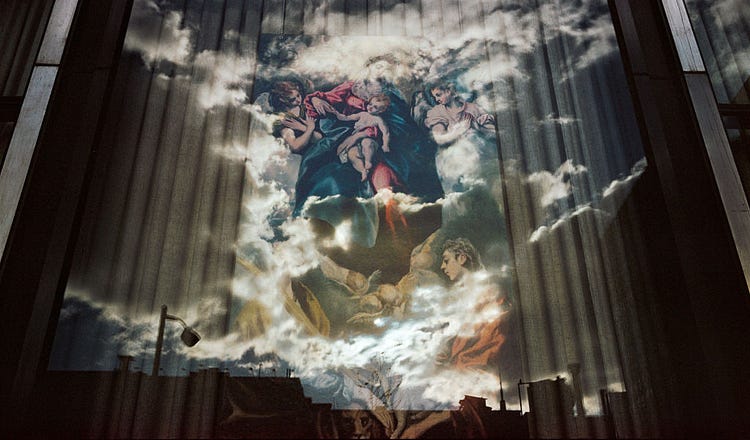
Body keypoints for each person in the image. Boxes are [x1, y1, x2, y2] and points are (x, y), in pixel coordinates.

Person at [438, 238, 508, 369]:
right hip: (458, 362)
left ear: (462, 259)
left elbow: (493, 337)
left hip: (478, 363)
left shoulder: (490, 291)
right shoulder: (457, 296)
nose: (442, 266)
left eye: (446, 260)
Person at [332, 94, 391, 181]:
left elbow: (386, 133)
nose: (370, 107)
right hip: (356, 142)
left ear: (381, 110)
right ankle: (363, 171)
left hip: (370, 141)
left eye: (375, 107)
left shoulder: (378, 120)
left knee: (366, 143)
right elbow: (347, 118)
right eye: (370, 104)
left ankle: (368, 161)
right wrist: (338, 115)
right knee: (351, 154)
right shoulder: (362, 114)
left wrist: (385, 145)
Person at [424, 83, 495, 143]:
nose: (437, 99)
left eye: (438, 95)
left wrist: (477, 127)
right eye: (434, 97)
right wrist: (460, 131)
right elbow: (440, 139)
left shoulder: (473, 108)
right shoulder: (437, 112)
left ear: (448, 92)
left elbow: (494, 133)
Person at [269, 81, 321, 153]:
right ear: (282, 100)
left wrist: (302, 127)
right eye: (292, 99)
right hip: (304, 154)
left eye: (298, 95)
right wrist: (309, 129)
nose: (298, 100)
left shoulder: (304, 107)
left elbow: (319, 137)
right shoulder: (282, 119)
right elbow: (294, 146)